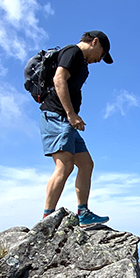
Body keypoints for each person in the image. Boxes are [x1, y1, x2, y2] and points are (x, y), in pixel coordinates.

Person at [39, 30, 113, 226]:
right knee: (65, 165)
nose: (100, 60)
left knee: (87, 164)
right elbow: (58, 79)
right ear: (95, 42)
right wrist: (71, 115)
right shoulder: (72, 53)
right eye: (102, 54)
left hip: (66, 121)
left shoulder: (79, 60)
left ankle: (83, 213)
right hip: (57, 117)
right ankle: (47, 218)